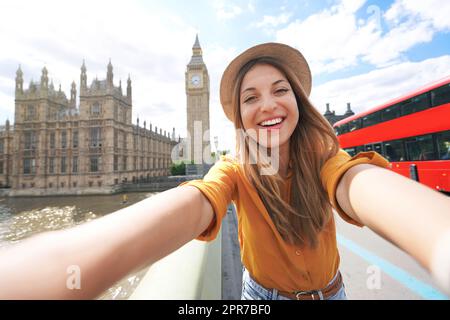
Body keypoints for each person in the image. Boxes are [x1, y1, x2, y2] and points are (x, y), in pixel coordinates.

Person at [0, 43, 449, 300]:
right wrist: (66, 263)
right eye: (250, 97)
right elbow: (196, 200)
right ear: (238, 113)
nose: (267, 104)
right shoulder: (234, 167)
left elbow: (359, 184)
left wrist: (438, 237)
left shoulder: (322, 155)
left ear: (298, 101)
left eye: (279, 90)